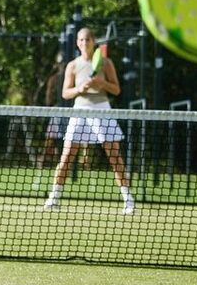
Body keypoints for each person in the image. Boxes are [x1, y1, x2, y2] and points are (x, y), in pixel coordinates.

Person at [43, 28, 134, 214]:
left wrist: (102, 84)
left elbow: (116, 90)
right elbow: (65, 93)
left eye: (87, 40)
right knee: (67, 156)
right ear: (77, 43)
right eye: (81, 40)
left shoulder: (106, 63)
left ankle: (128, 200)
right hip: (80, 111)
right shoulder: (72, 65)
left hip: (102, 110)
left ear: (94, 41)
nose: (84, 43)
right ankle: (53, 198)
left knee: (115, 157)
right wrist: (80, 89)